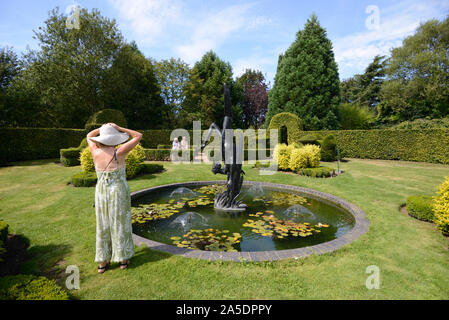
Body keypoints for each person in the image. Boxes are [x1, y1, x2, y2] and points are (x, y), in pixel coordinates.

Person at [87, 123, 142, 274]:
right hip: (118, 191)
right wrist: (120, 128)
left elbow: (88, 136)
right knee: (119, 222)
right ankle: (123, 259)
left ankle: (103, 262)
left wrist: (100, 129)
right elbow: (138, 135)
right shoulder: (120, 152)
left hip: (101, 192)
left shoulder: (94, 150)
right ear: (114, 138)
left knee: (103, 223)